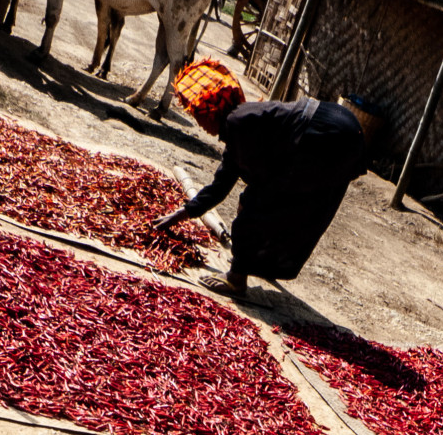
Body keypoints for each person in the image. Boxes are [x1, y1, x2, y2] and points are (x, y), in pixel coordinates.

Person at [153, 59, 367, 299]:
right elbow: (221, 184)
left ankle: (236, 281)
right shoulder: (241, 121)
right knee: (298, 208)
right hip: (344, 128)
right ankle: (263, 263)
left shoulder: (238, 122)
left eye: (197, 114)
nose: (198, 124)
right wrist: (184, 213)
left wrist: (248, 205)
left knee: (255, 204)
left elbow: (256, 186)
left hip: (326, 135)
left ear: (211, 109)